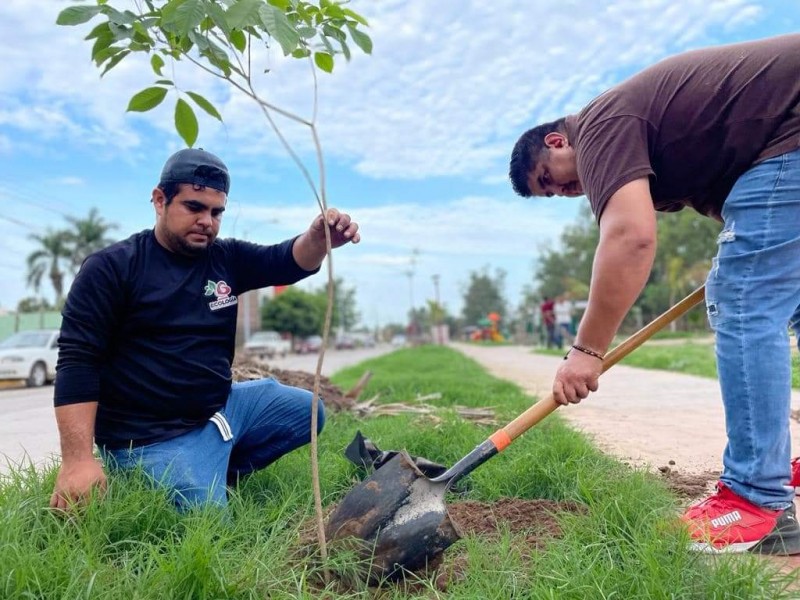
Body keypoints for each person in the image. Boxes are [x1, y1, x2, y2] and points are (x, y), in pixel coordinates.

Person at [509, 34, 800, 555]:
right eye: (549, 195)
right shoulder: (662, 162)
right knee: (779, 298)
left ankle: (758, 502)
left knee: (744, 299)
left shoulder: (599, 126)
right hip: (780, 145)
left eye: (547, 181)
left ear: (556, 142)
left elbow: (629, 238)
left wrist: (587, 351)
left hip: (791, 133)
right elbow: (734, 202)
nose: (560, 193)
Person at [50, 148, 360, 511]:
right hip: (149, 438)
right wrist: (77, 461)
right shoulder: (113, 269)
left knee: (308, 412)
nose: (207, 221)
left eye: (216, 212)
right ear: (159, 200)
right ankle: (190, 477)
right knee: (209, 526)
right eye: (194, 207)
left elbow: (283, 261)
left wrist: (318, 242)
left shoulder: (224, 258)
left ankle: (215, 468)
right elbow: (77, 361)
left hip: (220, 410)